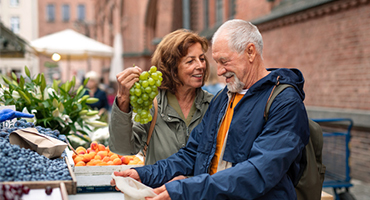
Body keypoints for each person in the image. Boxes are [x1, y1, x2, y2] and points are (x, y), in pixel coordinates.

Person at [110, 19, 310, 200]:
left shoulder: (284, 101)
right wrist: (142, 174)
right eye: (216, 63)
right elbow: (192, 153)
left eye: (224, 61)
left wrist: (185, 189)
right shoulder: (225, 97)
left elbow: (258, 172)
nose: (220, 71)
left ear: (250, 52)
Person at [108, 29, 214, 165]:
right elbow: (122, 148)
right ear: (172, 67)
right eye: (190, 61)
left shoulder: (212, 104)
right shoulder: (153, 104)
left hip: (201, 186)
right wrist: (122, 100)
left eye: (202, 59)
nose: (200, 66)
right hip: (158, 186)